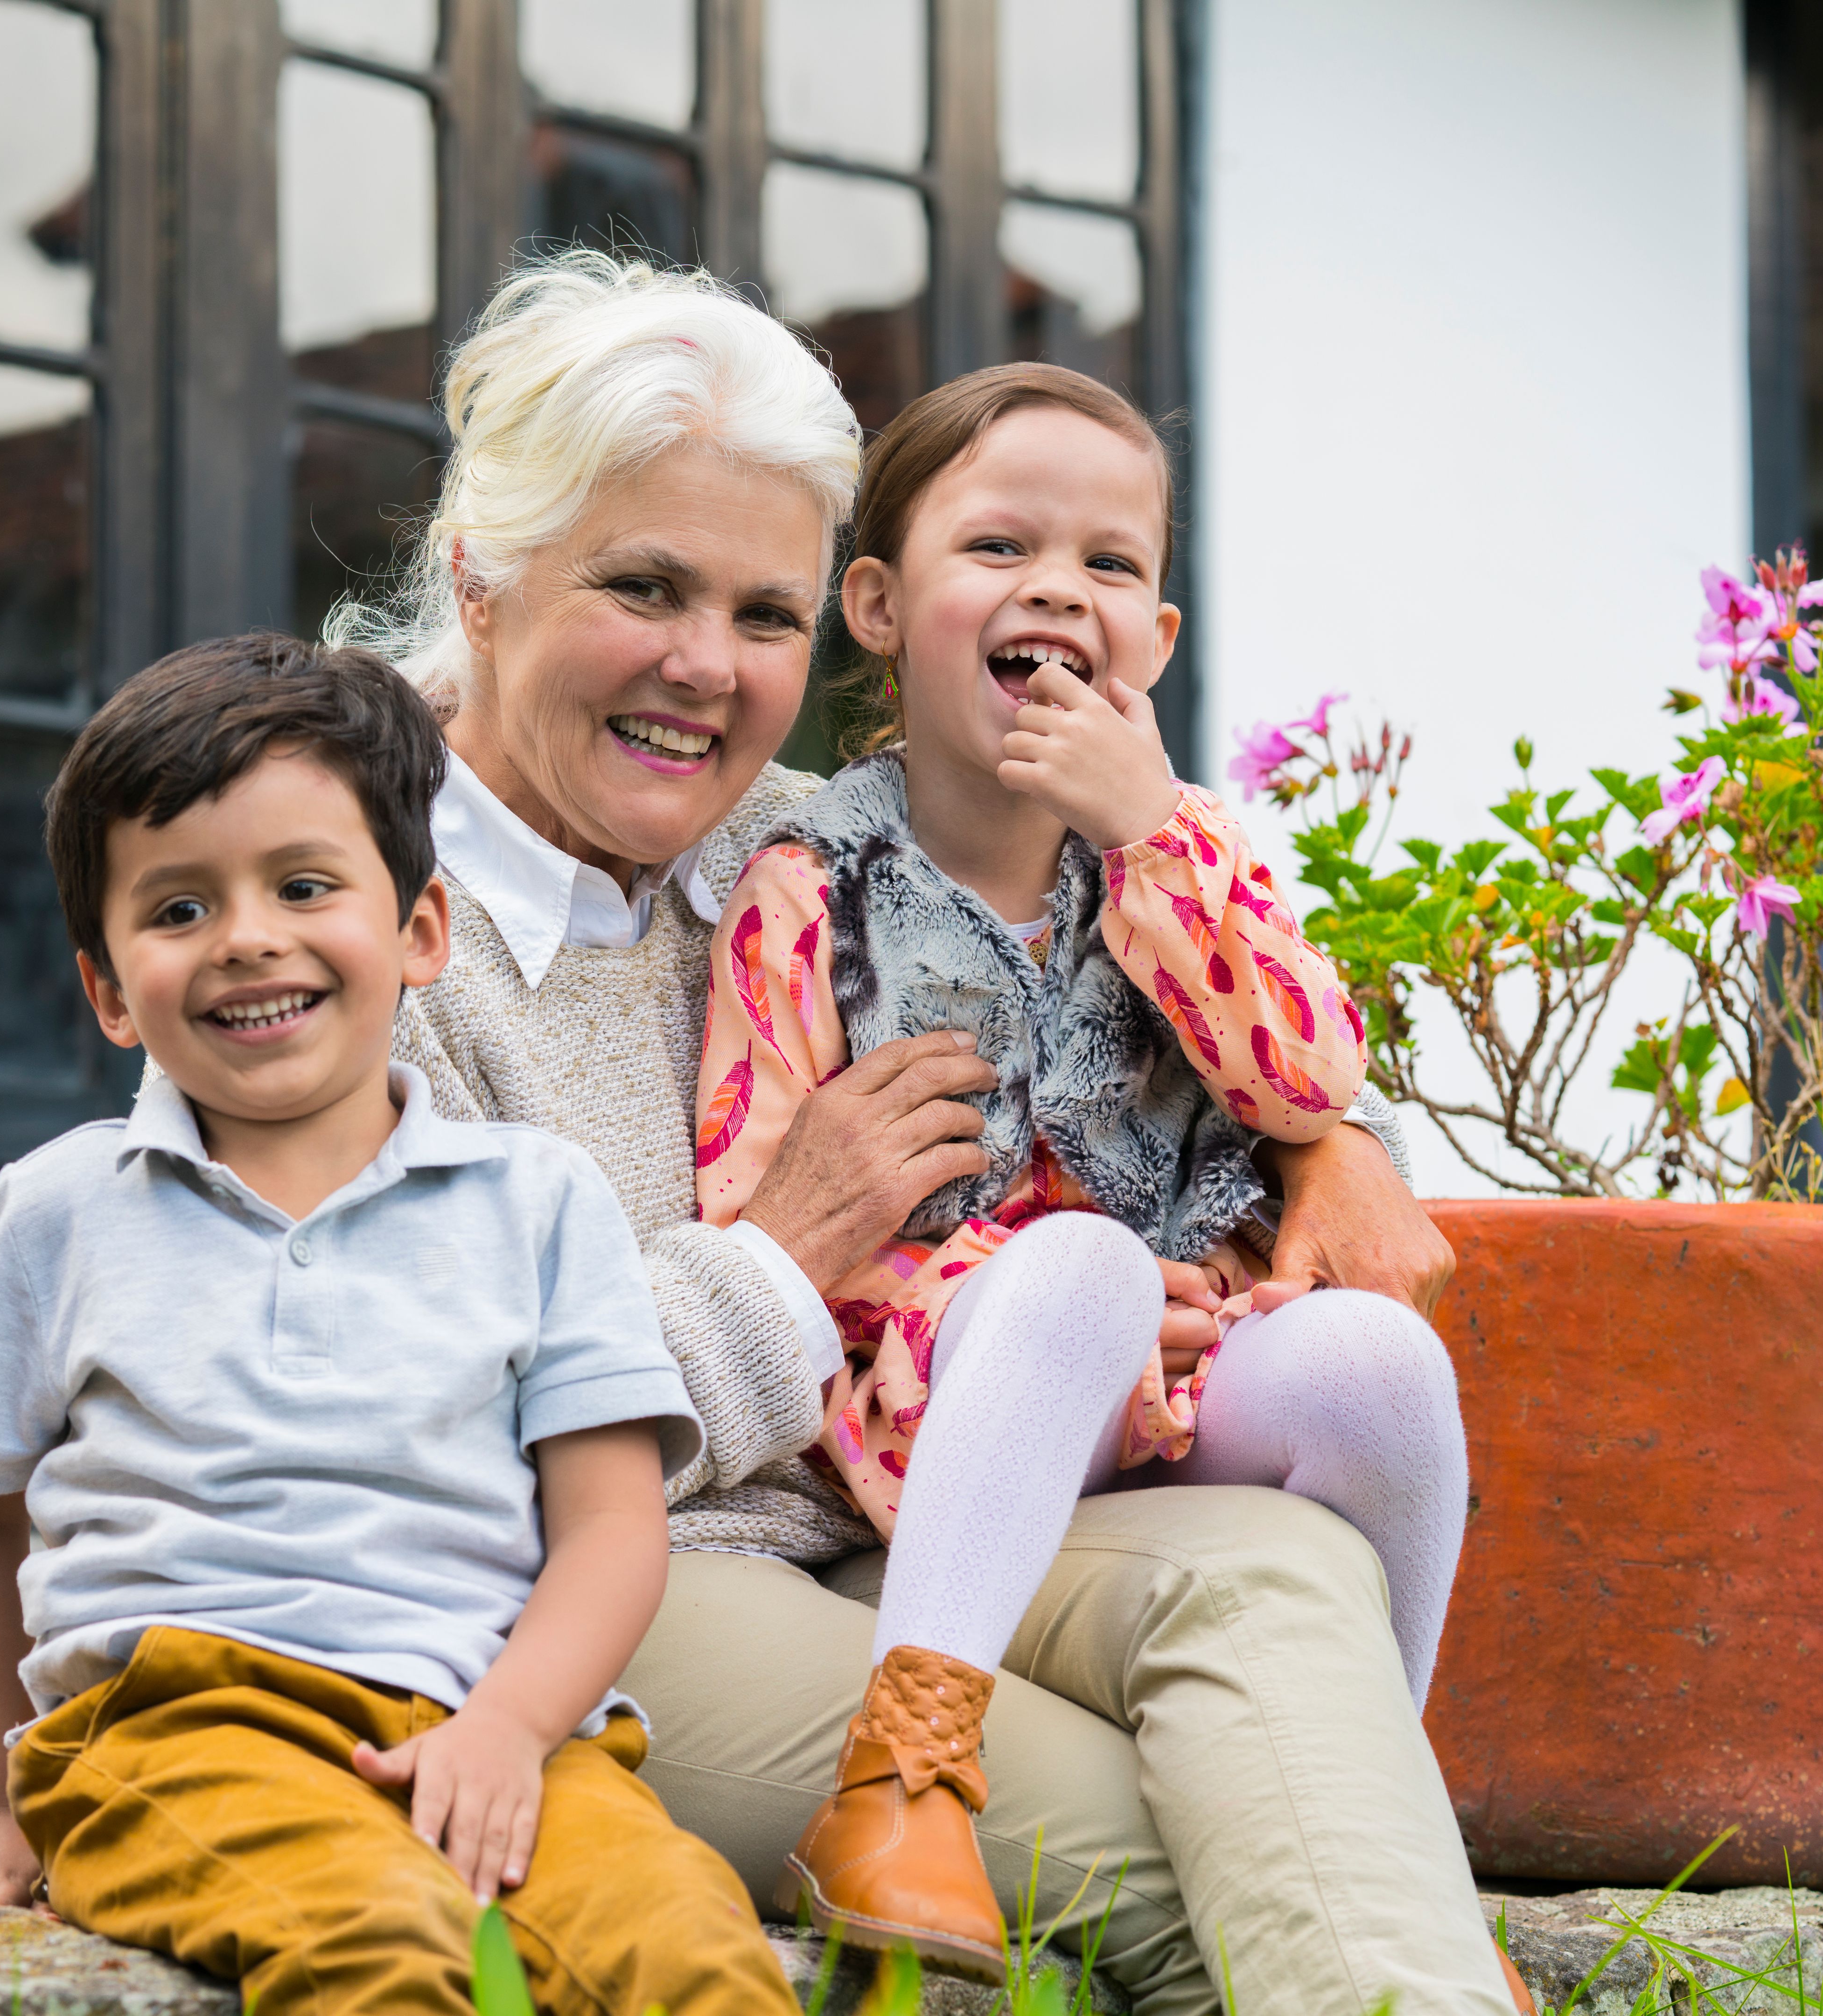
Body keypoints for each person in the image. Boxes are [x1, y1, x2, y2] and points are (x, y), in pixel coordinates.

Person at [336, 248, 1521, 2016]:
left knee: (1284, 1564)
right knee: (1242, 1847)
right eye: (642, 586)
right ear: (482, 582)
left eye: (762, 615)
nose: (703, 670)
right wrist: (777, 1252)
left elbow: (1171, 992)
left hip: (904, 1516)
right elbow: (408, 1431)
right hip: (588, 1593)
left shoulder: (792, 833)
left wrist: (1330, 1140)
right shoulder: (335, 921)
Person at [0, 634, 797, 2016]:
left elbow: (614, 1526)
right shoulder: (64, 1209)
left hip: (497, 1727)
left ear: (421, 930)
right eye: (178, 910)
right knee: (380, 1949)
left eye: (305, 886)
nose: (248, 936)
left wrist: (509, 1728)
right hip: (177, 1729)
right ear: (110, 991)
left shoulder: (539, 1201)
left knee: (692, 1952)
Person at [693, 362, 1470, 1973]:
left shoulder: (1183, 856)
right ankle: (902, 1781)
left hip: (1172, 1398)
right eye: (998, 549)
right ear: (880, 606)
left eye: (1111, 565)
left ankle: (1391, 1800)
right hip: (937, 1402)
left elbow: (1312, 1080)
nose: (1059, 587)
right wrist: (1062, 1298)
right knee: (1082, 1269)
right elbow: (761, 1226)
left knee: (1381, 1364)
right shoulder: (807, 887)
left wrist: (1160, 837)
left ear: (1158, 644)